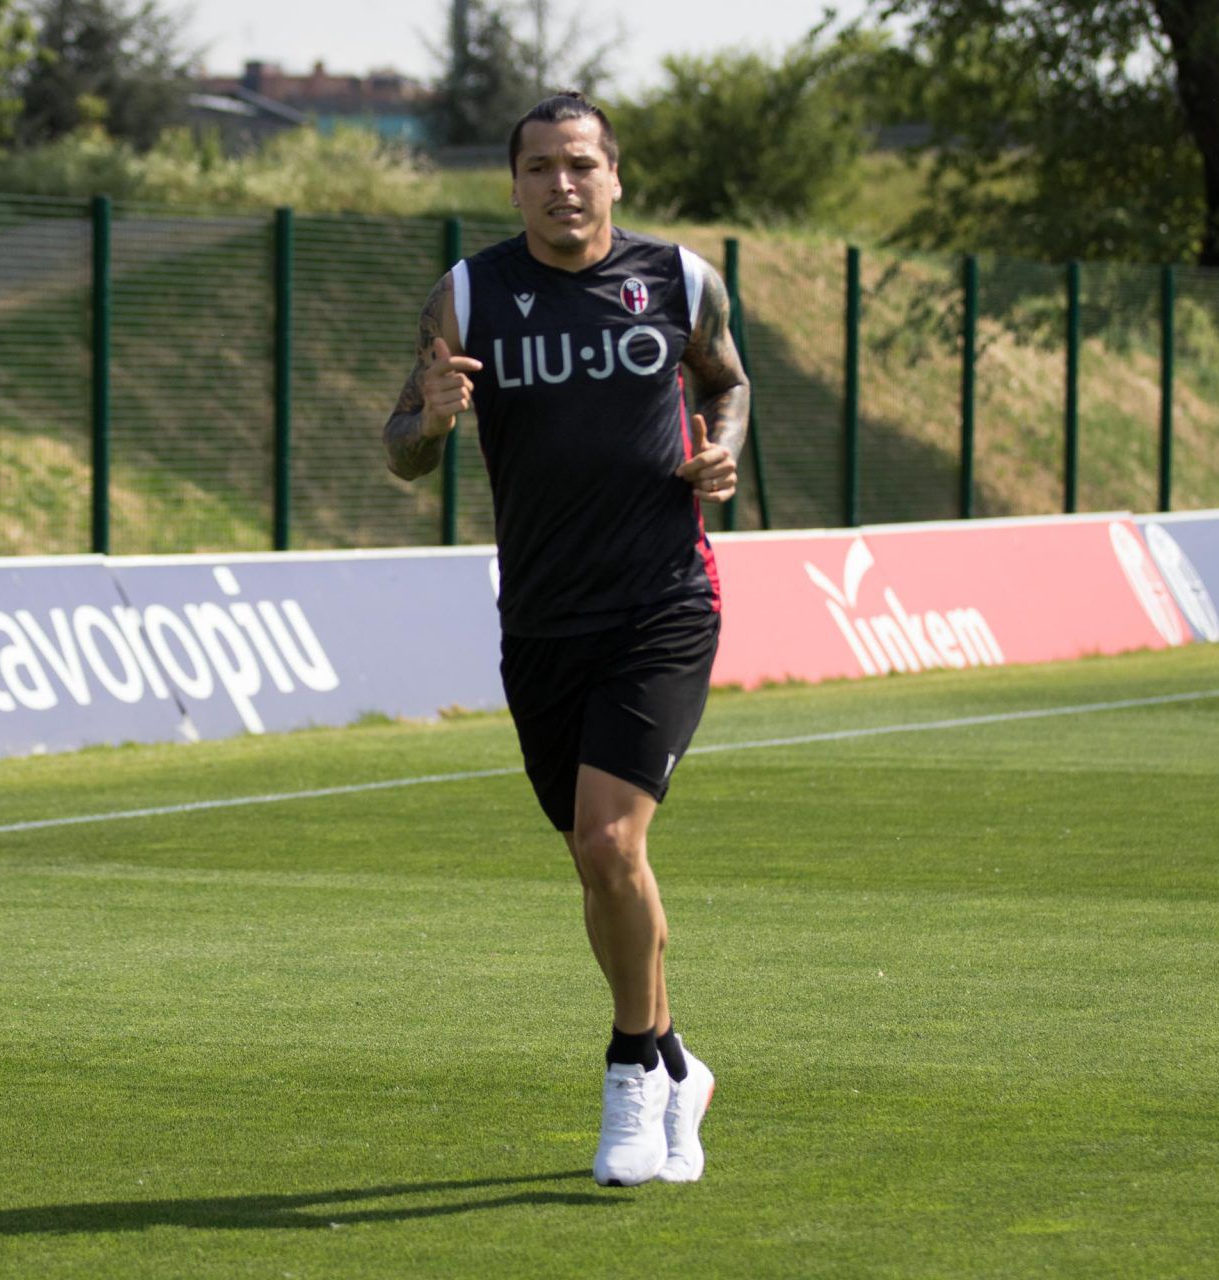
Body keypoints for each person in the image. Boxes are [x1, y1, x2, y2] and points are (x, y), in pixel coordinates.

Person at [381, 91, 751, 1187]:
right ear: (513, 183)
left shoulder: (681, 279)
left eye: (580, 163)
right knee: (602, 871)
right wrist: (433, 421)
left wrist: (721, 451)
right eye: (539, 166)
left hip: (665, 599)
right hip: (541, 616)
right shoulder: (468, 294)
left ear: (614, 174)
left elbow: (726, 381)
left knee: (609, 843)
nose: (562, 184)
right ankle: (683, 1062)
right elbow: (400, 443)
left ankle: (633, 1072)